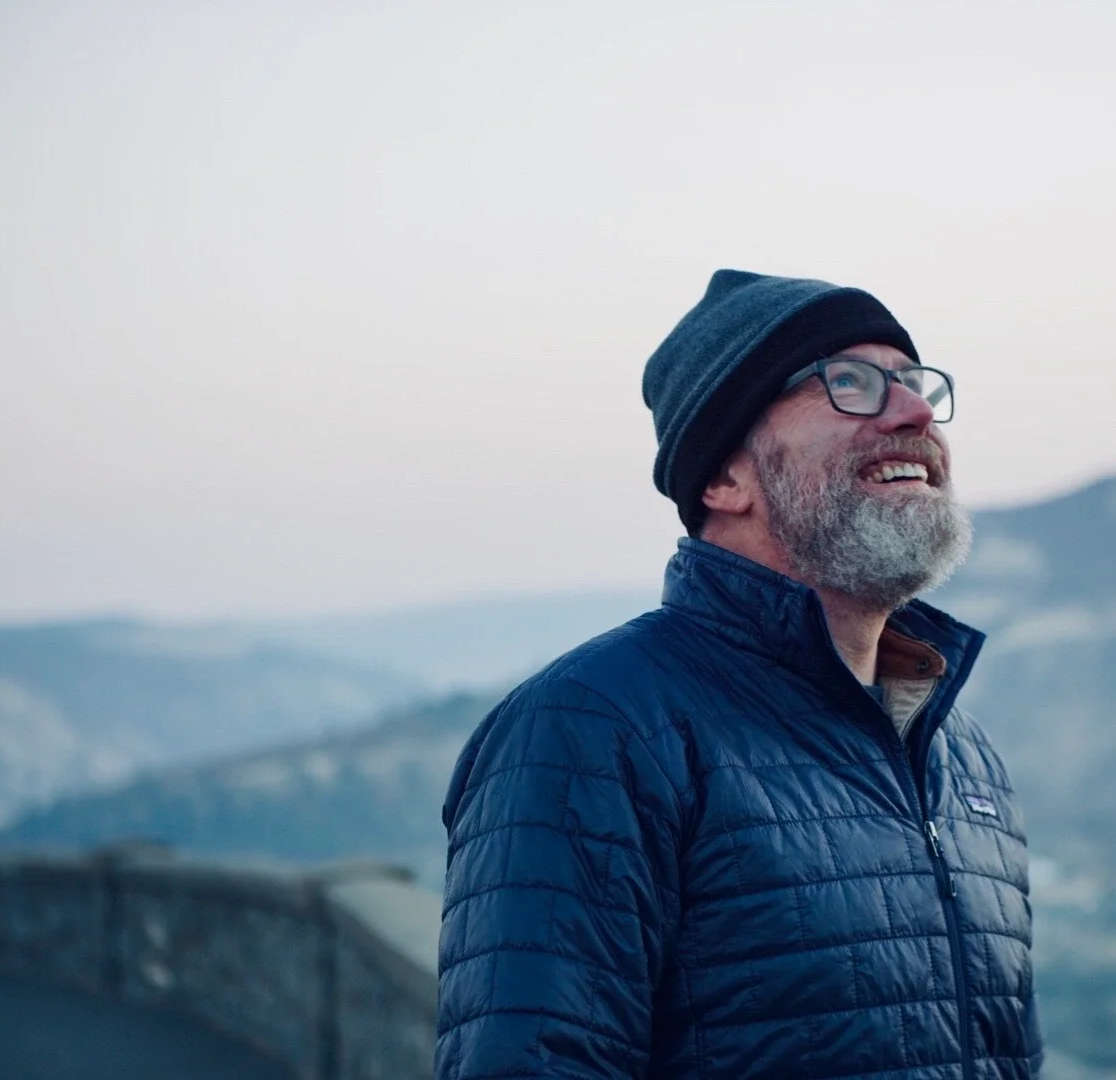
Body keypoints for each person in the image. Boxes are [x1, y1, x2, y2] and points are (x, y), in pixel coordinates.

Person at [436, 269, 1042, 1079]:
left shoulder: (962, 756)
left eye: (914, 382)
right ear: (724, 478)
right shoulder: (597, 726)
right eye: (853, 384)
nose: (915, 411)